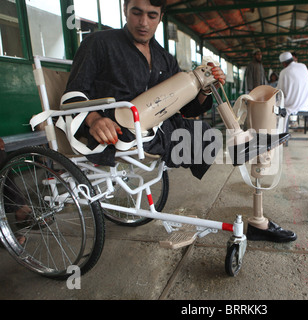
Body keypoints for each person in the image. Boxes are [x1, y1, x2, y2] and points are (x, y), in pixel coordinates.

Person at [64, 0, 291, 242]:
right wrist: (93, 118)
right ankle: (248, 166)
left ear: (160, 17)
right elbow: (74, 93)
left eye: (152, 16)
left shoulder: (164, 58)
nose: (143, 22)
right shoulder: (99, 43)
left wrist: (206, 87)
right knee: (238, 151)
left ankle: (254, 193)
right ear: (125, 11)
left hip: (163, 130)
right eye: (137, 13)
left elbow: (186, 108)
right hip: (122, 132)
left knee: (213, 138)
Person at [277, 52, 308, 134]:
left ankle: (278, 133)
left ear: (284, 63)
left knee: (275, 107)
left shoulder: (284, 72)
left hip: (292, 103)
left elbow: (280, 91)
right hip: (306, 102)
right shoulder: (303, 66)